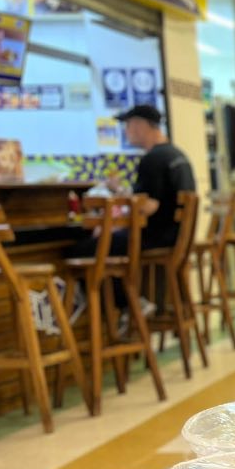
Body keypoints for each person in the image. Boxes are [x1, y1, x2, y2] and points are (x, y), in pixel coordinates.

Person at [69, 105, 196, 328]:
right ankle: (127, 306)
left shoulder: (153, 159)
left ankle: (125, 306)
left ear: (140, 125)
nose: (126, 132)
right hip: (175, 237)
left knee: (85, 250)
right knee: (109, 245)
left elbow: (148, 206)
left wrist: (113, 219)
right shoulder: (178, 155)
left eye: (127, 126)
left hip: (155, 237)